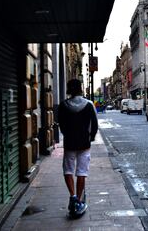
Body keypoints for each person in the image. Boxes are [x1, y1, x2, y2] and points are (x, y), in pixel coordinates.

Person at [58, 79, 98, 217]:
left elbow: (61, 124)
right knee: (82, 172)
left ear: (69, 89)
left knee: (68, 170)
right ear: (81, 89)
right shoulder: (89, 104)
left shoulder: (63, 105)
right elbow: (95, 124)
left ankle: (73, 196)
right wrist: (90, 138)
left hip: (69, 143)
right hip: (84, 144)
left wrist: (67, 134)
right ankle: (79, 201)